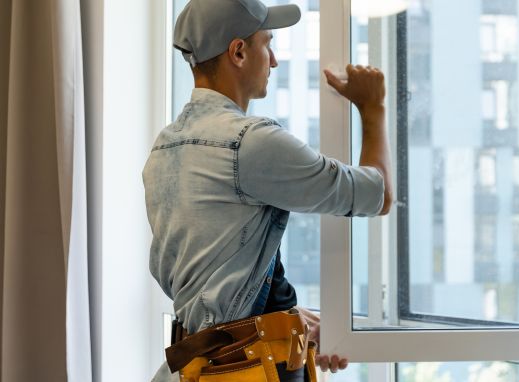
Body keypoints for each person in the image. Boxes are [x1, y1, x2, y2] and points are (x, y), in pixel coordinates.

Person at [143, 0, 393, 380]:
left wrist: (287, 323)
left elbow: (213, 275)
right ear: (238, 52)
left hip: (197, 366)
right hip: (243, 371)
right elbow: (378, 194)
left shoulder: (165, 147)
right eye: (267, 44)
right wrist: (372, 109)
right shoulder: (250, 142)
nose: (273, 60)